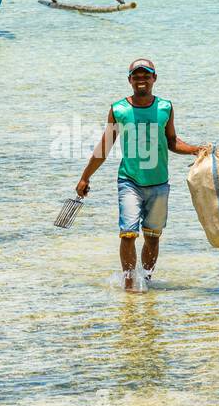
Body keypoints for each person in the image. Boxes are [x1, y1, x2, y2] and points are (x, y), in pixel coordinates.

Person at [76, 58, 207, 292]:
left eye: (146, 75)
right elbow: (105, 146)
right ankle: (129, 286)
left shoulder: (165, 107)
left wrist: (196, 150)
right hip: (130, 182)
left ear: (154, 78)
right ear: (129, 80)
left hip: (159, 183)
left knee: (153, 237)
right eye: (136, 76)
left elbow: (172, 141)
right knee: (127, 234)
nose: (141, 80)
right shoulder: (119, 109)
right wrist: (86, 177)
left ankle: (145, 281)